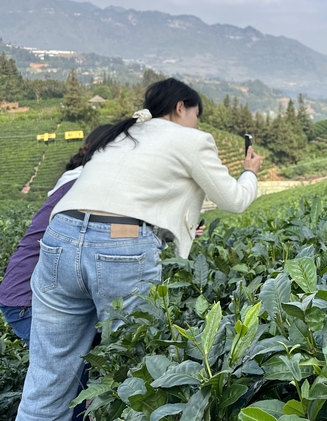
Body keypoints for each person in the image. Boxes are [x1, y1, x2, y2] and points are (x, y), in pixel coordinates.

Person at [16, 78, 263, 421]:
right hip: (121, 245)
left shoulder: (120, 133)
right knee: (132, 375)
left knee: (47, 381)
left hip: (59, 237)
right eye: (196, 115)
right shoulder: (190, 139)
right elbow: (234, 201)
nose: (197, 123)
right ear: (181, 108)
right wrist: (250, 172)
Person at [0, 126, 110, 344]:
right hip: (30, 299)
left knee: (86, 368)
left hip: (35, 295)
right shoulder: (84, 184)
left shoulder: (79, 179)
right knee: (73, 374)